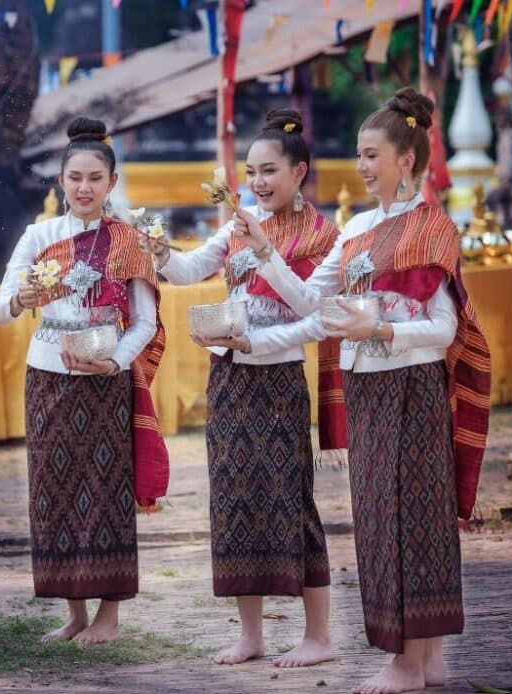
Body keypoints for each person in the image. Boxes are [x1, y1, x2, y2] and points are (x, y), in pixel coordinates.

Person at [233, 88, 491, 694]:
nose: (362, 167)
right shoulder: (356, 228)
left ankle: (414, 659)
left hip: (412, 386)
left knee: (417, 521)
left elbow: (445, 328)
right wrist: (266, 251)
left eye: (372, 155)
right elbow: (310, 301)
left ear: (406, 160)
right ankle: (419, 660)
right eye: (359, 155)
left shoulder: (432, 229)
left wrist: (378, 327)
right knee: (379, 523)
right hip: (367, 388)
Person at [143, 109, 340, 668]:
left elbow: (314, 309)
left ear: (299, 171)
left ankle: (319, 637)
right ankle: (251, 635)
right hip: (229, 375)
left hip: (277, 379)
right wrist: (159, 253)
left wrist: (266, 255)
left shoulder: (321, 234)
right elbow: (189, 272)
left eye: (269, 170)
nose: (257, 182)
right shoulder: (237, 223)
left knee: (291, 501)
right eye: (251, 172)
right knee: (231, 501)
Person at [0, 117, 169, 644]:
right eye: (74, 178)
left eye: (95, 178)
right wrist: (22, 299)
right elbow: (1, 309)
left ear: (112, 183)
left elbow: (143, 322)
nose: (84, 188)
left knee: (107, 491)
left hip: (104, 382)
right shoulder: (39, 235)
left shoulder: (129, 241)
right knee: (56, 491)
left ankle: (108, 618)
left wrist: (115, 363)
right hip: (47, 378)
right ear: (61, 181)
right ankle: (73, 612)